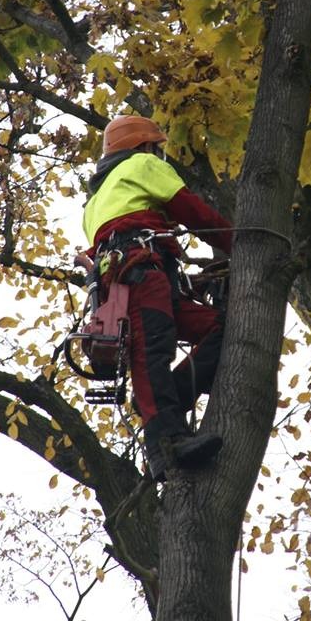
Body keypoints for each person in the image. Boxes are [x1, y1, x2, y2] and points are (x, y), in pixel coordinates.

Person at [82, 114, 232, 480]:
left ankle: (172, 395)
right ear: (144, 146)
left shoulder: (95, 202)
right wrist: (240, 243)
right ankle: (166, 442)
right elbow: (191, 211)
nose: (158, 154)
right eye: (156, 148)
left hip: (142, 277)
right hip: (140, 274)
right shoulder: (142, 164)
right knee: (153, 350)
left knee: (218, 328)